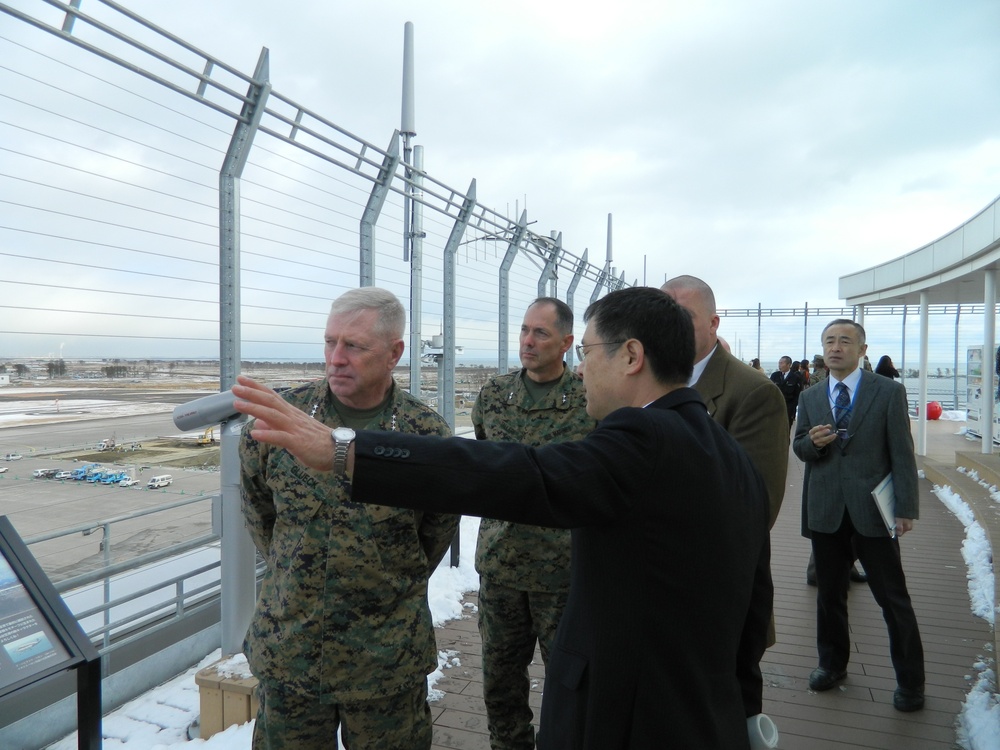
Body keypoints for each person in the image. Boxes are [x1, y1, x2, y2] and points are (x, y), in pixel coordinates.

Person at [232, 286, 774, 750]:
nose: (581, 367)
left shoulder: (644, 442)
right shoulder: (727, 457)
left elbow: (522, 473)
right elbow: (754, 602)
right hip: (700, 711)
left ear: (631, 356)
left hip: (634, 718)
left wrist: (348, 453)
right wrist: (745, 707)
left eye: (587, 351)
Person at [238, 287, 460, 750]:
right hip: (291, 652)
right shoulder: (282, 421)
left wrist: (384, 579)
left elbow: (434, 534)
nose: (336, 358)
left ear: (394, 353)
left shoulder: (427, 436)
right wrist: (298, 572)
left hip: (385, 662)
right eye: (329, 342)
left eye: (354, 346)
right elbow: (262, 517)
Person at [660, 275, 788, 719]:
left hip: (718, 603)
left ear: (713, 324)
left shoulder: (752, 392)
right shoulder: (639, 382)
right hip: (652, 603)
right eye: (664, 315)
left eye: (685, 317)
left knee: (722, 720)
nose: (671, 327)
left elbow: (756, 507)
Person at [471, 297, 596, 750]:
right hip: (502, 567)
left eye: (540, 333)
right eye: (524, 330)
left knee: (569, 685)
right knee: (500, 682)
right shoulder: (494, 395)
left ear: (566, 342)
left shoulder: (588, 400)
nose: (527, 340)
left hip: (563, 573)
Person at [793, 319, 924, 713]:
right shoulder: (811, 396)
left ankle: (911, 682)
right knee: (829, 596)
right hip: (827, 509)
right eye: (830, 341)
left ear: (863, 349)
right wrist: (811, 444)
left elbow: (902, 452)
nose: (836, 348)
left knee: (893, 599)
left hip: (873, 511)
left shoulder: (888, 392)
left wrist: (906, 508)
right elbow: (799, 446)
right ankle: (831, 665)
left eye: (845, 341)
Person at [770, 355, 804, 428]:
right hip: (775, 408)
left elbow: (798, 394)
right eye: (779, 363)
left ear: (789, 365)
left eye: (782, 363)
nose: (779, 365)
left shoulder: (795, 378)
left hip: (788, 409)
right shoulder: (775, 376)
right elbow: (770, 391)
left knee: (786, 429)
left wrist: (793, 408)